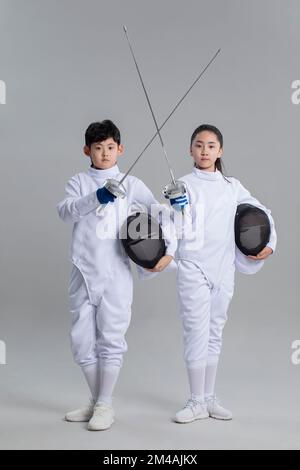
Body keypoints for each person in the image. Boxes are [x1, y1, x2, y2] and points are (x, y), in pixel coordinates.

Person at [57, 120, 175, 431]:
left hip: (116, 273)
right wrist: (98, 196)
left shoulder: (131, 184)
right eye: (98, 148)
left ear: (120, 149)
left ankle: (104, 404)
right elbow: (65, 211)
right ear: (87, 151)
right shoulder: (79, 182)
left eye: (111, 147)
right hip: (82, 271)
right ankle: (98, 401)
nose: (105, 153)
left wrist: (177, 205)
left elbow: (158, 213)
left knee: (111, 338)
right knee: (82, 342)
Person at [167, 124, 277, 423]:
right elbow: (175, 230)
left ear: (220, 151)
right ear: (190, 150)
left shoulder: (232, 186)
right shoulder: (183, 184)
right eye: (199, 145)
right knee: (195, 333)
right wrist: (177, 207)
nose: (205, 150)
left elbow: (260, 213)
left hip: (224, 267)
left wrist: (269, 245)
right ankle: (195, 400)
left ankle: (209, 397)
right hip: (194, 267)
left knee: (215, 332)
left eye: (211, 145)